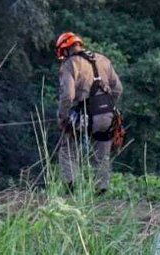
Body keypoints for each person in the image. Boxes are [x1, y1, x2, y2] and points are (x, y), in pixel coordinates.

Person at [55, 31, 122, 195]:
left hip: (84, 116)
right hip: (108, 116)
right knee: (102, 155)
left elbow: (68, 96)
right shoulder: (103, 60)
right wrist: (108, 106)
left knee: (68, 150)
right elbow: (118, 89)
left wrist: (63, 117)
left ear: (65, 50)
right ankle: (101, 190)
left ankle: (71, 188)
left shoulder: (70, 65)